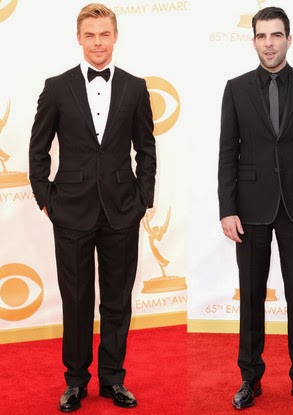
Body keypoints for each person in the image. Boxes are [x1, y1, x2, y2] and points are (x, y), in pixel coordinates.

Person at [28, 3, 156, 412]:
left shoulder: (135, 87)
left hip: (122, 210)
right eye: (90, 35)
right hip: (70, 210)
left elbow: (146, 148)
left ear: (115, 37)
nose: (97, 42)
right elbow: (38, 149)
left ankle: (114, 379)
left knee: (117, 300)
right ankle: (75, 381)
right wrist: (46, 198)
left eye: (104, 34)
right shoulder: (56, 87)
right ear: (79, 38)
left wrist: (143, 199)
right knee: (77, 300)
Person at [218, 6, 293, 411]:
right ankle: (250, 377)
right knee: (251, 295)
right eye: (262, 36)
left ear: (288, 39)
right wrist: (227, 208)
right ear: (253, 41)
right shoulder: (235, 88)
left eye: (276, 35)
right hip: (249, 210)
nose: (269, 43)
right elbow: (227, 152)